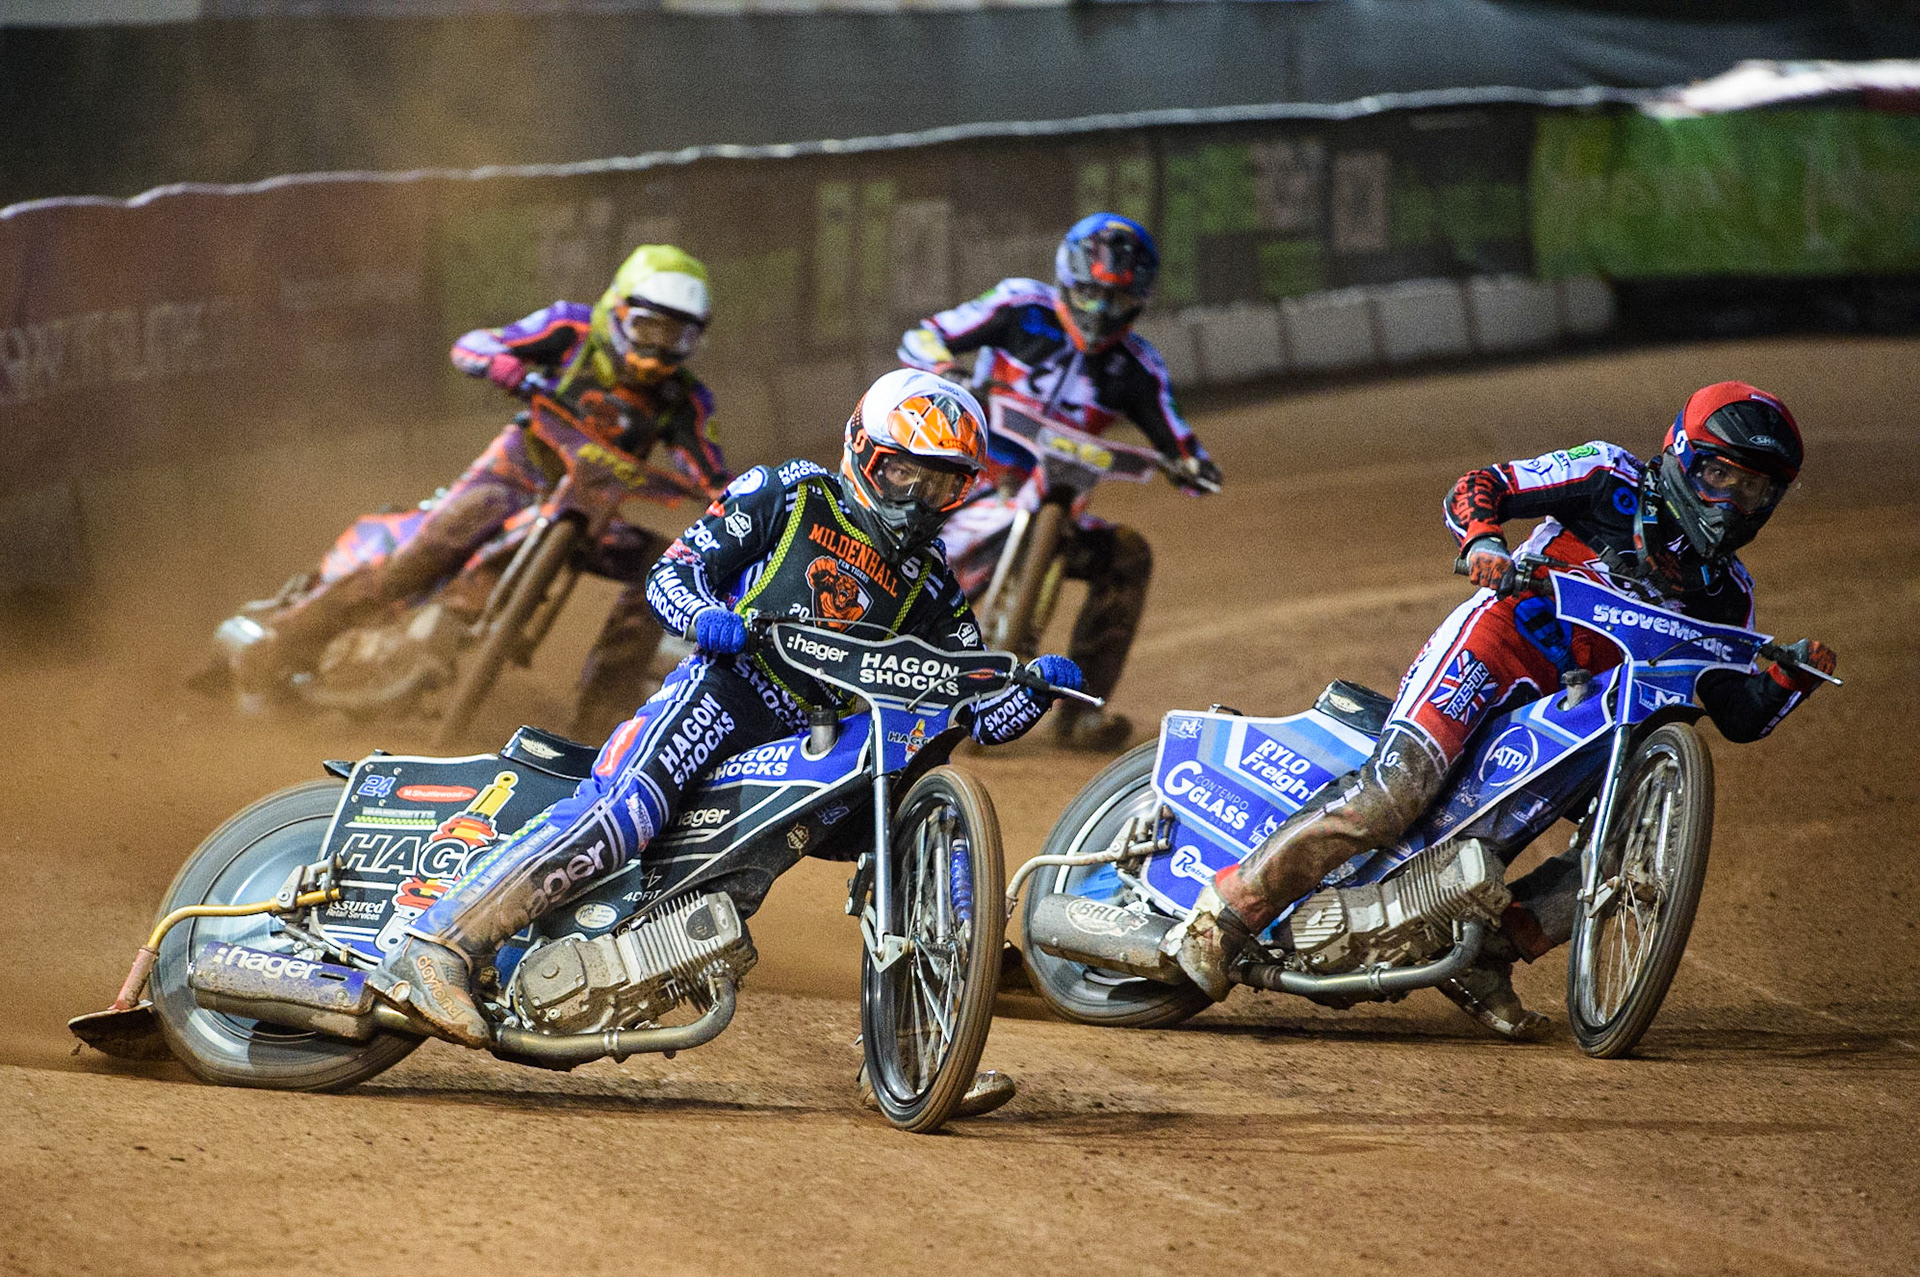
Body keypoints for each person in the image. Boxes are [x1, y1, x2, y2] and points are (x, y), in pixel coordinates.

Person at [368, 368, 1083, 1053]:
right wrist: (706, 614)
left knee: (917, 819)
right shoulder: (789, 493)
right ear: (864, 451)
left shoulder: (934, 587)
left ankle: (922, 1026)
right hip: (725, 693)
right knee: (626, 813)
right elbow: (673, 571)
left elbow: (977, 712)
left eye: (941, 485)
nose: (917, 501)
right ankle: (439, 946)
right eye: (905, 474)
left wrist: (1029, 691)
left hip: (819, 743)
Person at [1174, 381, 1839, 1038]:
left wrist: (1788, 679)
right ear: (1681, 454)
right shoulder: (1610, 477)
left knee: (1628, 853)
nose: (1734, 503)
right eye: (1721, 476)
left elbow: (1737, 714)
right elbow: (1481, 485)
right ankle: (1225, 916)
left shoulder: (1728, 596)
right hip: (1499, 648)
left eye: (1755, 490)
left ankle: (1488, 954)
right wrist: (1484, 541)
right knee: (1393, 794)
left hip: (1584, 718)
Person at [233, 244, 730, 740]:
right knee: (420, 559)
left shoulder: (681, 398)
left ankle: (602, 719)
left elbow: (706, 467)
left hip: (589, 513)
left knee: (663, 567)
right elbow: (474, 345)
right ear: (619, 311)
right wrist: (503, 365)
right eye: (651, 328)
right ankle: (280, 647)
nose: (660, 348)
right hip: (511, 479)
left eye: (679, 335)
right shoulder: (570, 330)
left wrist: (733, 498)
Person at [897, 213, 1221, 751]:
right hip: (961, 478)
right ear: (1066, 281)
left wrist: (1192, 466)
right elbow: (926, 335)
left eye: (1116, 302)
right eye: (1091, 295)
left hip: (1058, 505)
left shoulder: (1138, 367)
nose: (1100, 313)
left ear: (1138, 302)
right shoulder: (1020, 306)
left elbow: (1177, 438)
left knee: (1127, 554)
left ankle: (1079, 712)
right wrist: (944, 370)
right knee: (888, 532)